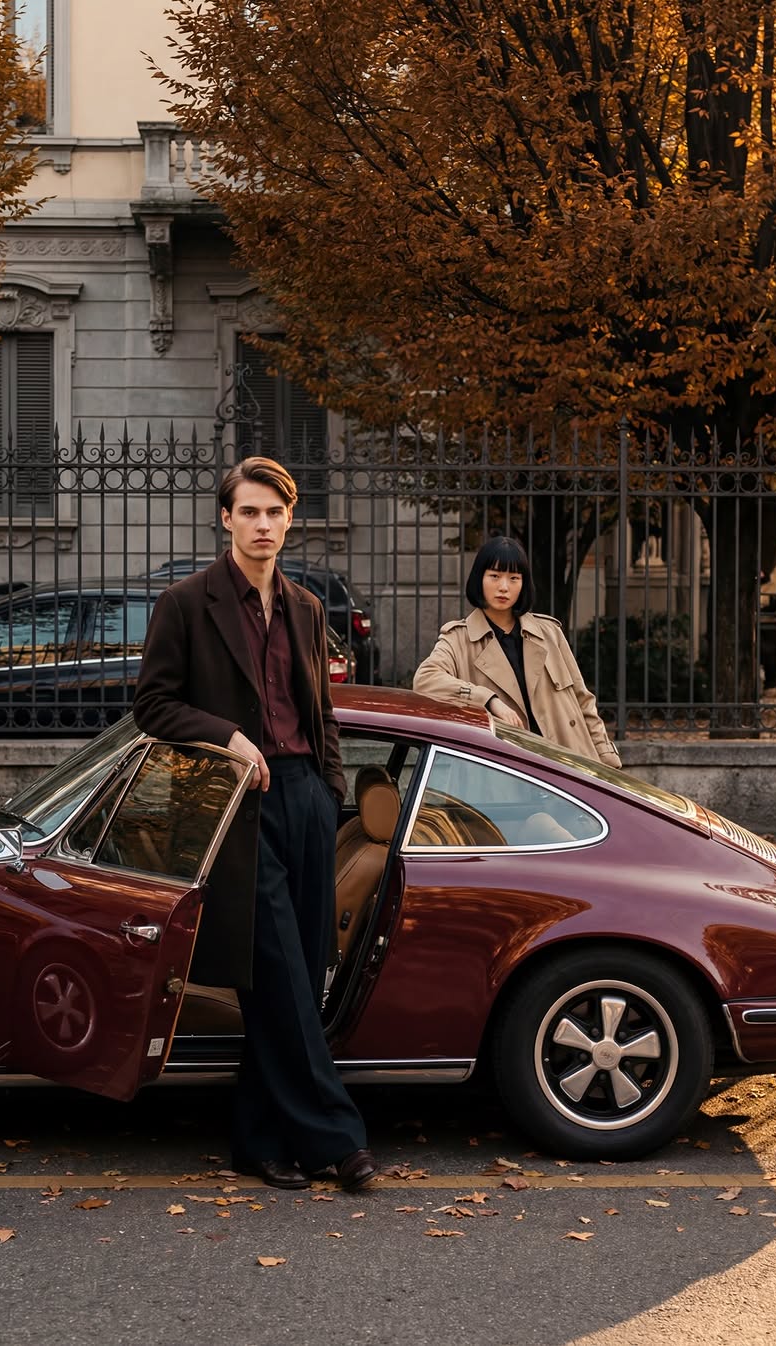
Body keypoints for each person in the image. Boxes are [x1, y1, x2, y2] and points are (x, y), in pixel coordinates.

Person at [133, 456, 377, 1193]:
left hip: (303, 798)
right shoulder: (186, 603)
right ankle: (338, 1138)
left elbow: (321, 716)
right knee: (278, 981)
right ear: (226, 519)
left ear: (289, 519)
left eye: (275, 512)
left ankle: (257, 1139)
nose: (263, 525)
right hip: (237, 807)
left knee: (297, 976)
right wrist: (228, 738)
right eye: (250, 512)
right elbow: (152, 704)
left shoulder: (305, 608)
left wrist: (329, 791)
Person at [413, 536, 622, 768]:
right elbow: (425, 680)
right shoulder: (459, 638)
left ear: (523, 583)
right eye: (494, 576)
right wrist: (488, 700)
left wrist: (607, 760)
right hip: (509, 775)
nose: (504, 587)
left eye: (514, 578)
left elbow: (583, 700)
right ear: (479, 579)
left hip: (570, 768)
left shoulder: (549, 632)